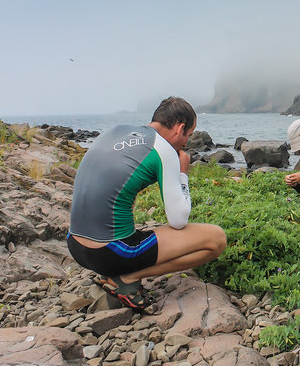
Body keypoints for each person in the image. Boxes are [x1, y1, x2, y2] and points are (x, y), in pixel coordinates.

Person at [67, 97, 226, 310]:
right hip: (109, 252)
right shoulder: (163, 149)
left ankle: (116, 271)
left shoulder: (116, 131)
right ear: (180, 128)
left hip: (76, 246)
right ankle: (127, 278)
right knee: (216, 239)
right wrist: (182, 173)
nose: (186, 143)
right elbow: (178, 220)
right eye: (188, 134)